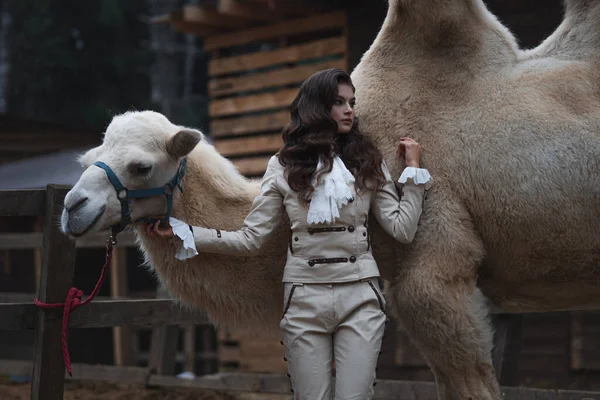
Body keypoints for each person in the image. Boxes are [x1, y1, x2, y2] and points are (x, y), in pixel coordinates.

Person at [146, 68, 432, 400]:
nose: (350, 109)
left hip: (360, 296)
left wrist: (412, 172)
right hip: (303, 299)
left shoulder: (367, 162)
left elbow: (402, 228)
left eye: (351, 102)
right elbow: (251, 238)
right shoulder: (283, 166)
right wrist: (185, 232)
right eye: (339, 102)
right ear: (316, 108)